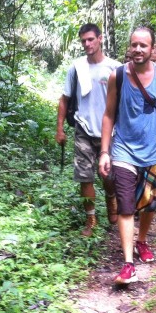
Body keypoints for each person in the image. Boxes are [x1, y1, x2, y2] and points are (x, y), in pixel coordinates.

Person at [99, 26, 156, 284]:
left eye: (143, 45)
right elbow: (109, 114)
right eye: (134, 44)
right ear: (129, 47)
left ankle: (142, 240)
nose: (138, 49)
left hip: (154, 150)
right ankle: (128, 263)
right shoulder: (118, 76)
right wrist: (104, 151)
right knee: (126, 204)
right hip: (123, 150)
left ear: (152, 48)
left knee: (148, 203)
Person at [56, 23, 121, 236]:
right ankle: (91, 219)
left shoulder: (115, 68)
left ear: (100, 39)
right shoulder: (76, 67)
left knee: (108, 176)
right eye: (84, 40)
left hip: (108, 131)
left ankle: (112, 201)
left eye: (91, 39)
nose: (87, 44)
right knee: (85, 177)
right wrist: (60, 129)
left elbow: (124, 101)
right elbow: (64, 99)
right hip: (83, 127)